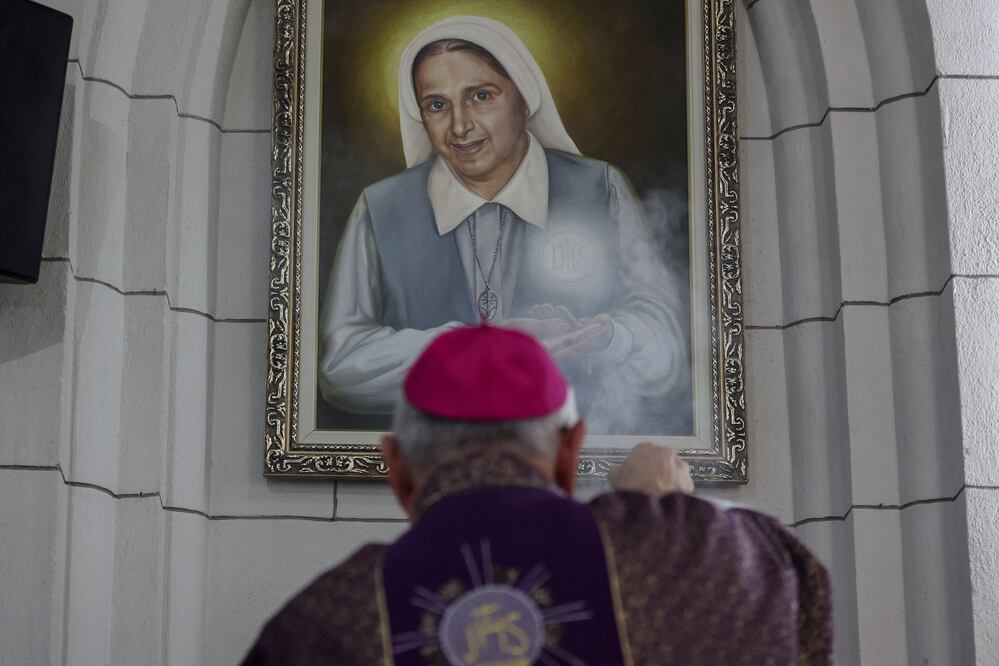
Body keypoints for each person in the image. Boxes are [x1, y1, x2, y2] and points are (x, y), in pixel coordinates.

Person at [245, 325, 832, 665]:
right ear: (571, 450)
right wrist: (673, 513)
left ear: (397, 469)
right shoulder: (688, 559)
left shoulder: (326, 621)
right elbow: (799, 595)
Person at [318, 16, 688, 434]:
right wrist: (471, 350)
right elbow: (341, 364)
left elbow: (665, 343)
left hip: (569, 452)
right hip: (436, 460)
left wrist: (603, 336)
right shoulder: (383, 207)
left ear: (524, 99)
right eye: (437, 105)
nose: (460, 126)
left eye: (480, 96)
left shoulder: (598, 188)